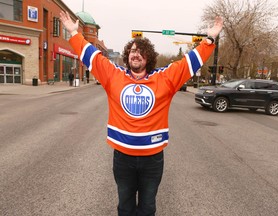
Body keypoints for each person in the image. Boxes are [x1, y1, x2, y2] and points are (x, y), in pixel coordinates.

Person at [60, 11, 223, 216]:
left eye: (141, 52)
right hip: (123, 158)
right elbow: (92, 56)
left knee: (147, 207)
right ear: (127, 56)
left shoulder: (164, 78)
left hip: (152, 159)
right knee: (125, 206)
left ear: (148, 57)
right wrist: (74, 33)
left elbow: (189, 62)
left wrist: (209, 39)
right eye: (132, 51)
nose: (135, 54)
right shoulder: (113, 76)